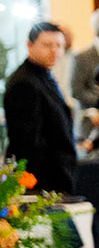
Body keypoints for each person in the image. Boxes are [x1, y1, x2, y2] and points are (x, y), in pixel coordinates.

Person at [2, 21, 77, 194]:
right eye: (47, 45)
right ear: (30, 45)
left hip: (55, 176)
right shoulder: (24, 82)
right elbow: (28, 143)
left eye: (59, 45)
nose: (54, 51)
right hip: (42, 181)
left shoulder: (42, 75)